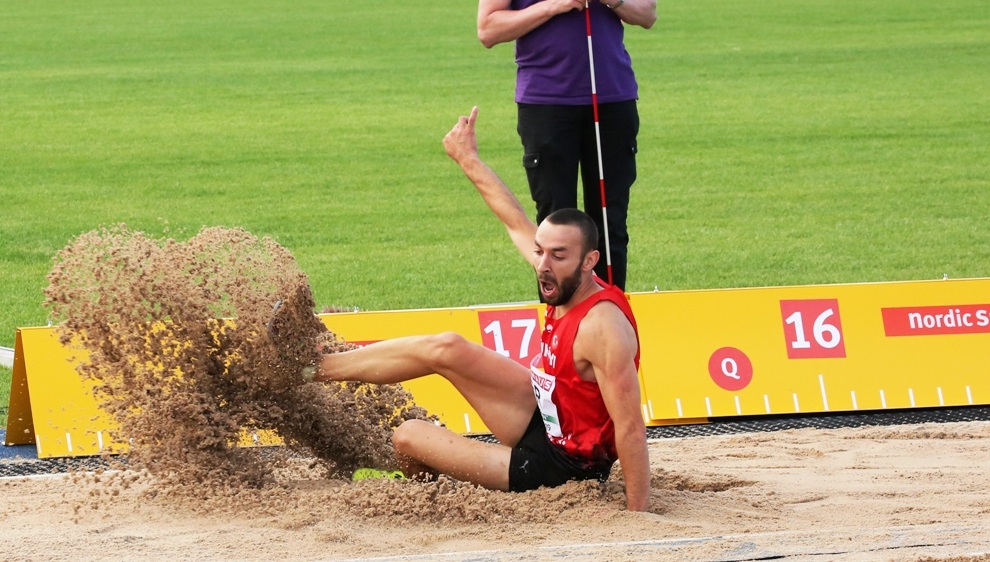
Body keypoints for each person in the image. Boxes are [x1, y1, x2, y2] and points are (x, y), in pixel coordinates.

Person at [311, 107, 650, 512]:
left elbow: (630, 426)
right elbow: (513, 220)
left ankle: (422, 497)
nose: (542, 264)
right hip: (548, 413)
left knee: (408, 436)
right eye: (540, 252)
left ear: (589, 261)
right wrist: (467, 159)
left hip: (562, 466)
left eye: (558, 255)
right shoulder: (560, 276)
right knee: (447, 346)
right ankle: (308, 368)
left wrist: (638, 513)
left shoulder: (603, 327)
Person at [477, 0, 657, 291]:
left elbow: (647, 14)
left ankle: (610, 319)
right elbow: (488, 29)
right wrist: (553, 6)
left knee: (610, 223)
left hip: (612, 100)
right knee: (555, 227)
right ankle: (560, 324)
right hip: (546, 104)